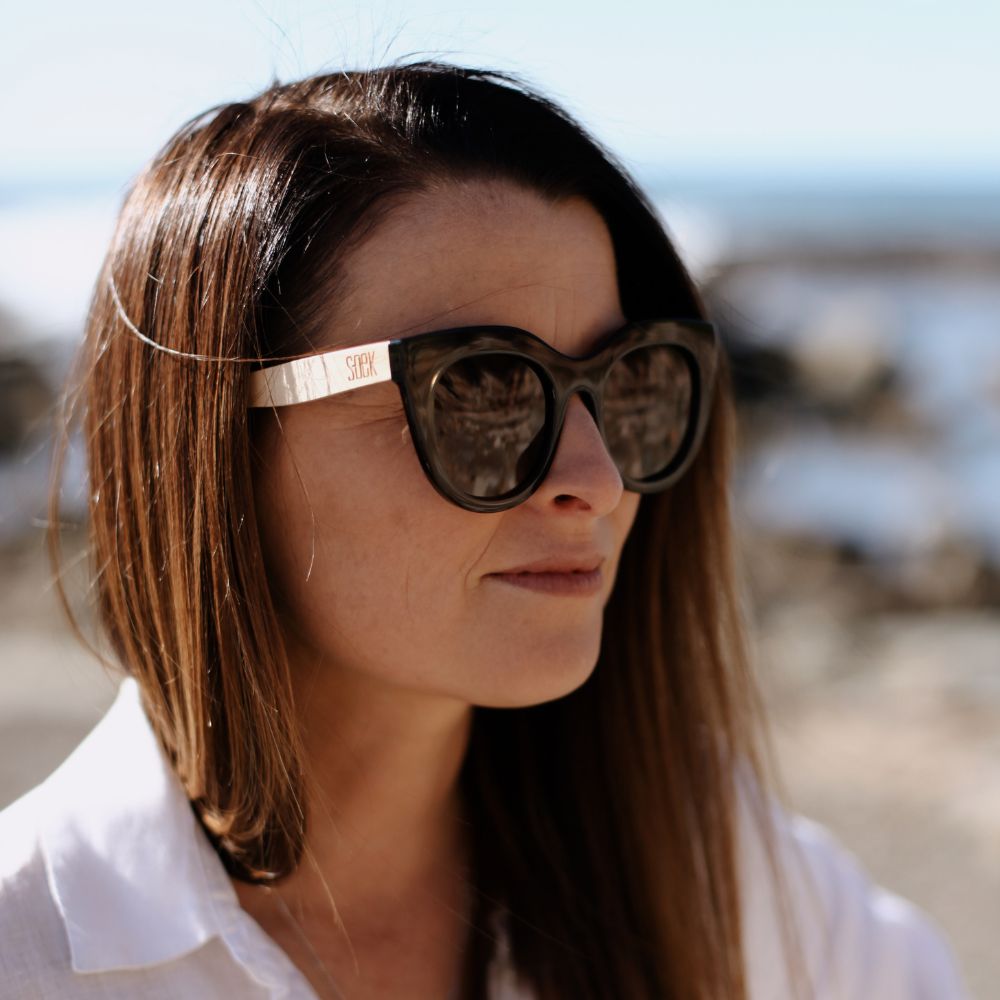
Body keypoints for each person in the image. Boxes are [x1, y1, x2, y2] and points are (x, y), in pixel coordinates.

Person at [0, 62, 968, 1000]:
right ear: (216, 441)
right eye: (481, 388)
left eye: (630, 381)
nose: (598, 480)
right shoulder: (28, 952)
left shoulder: (739, 897)